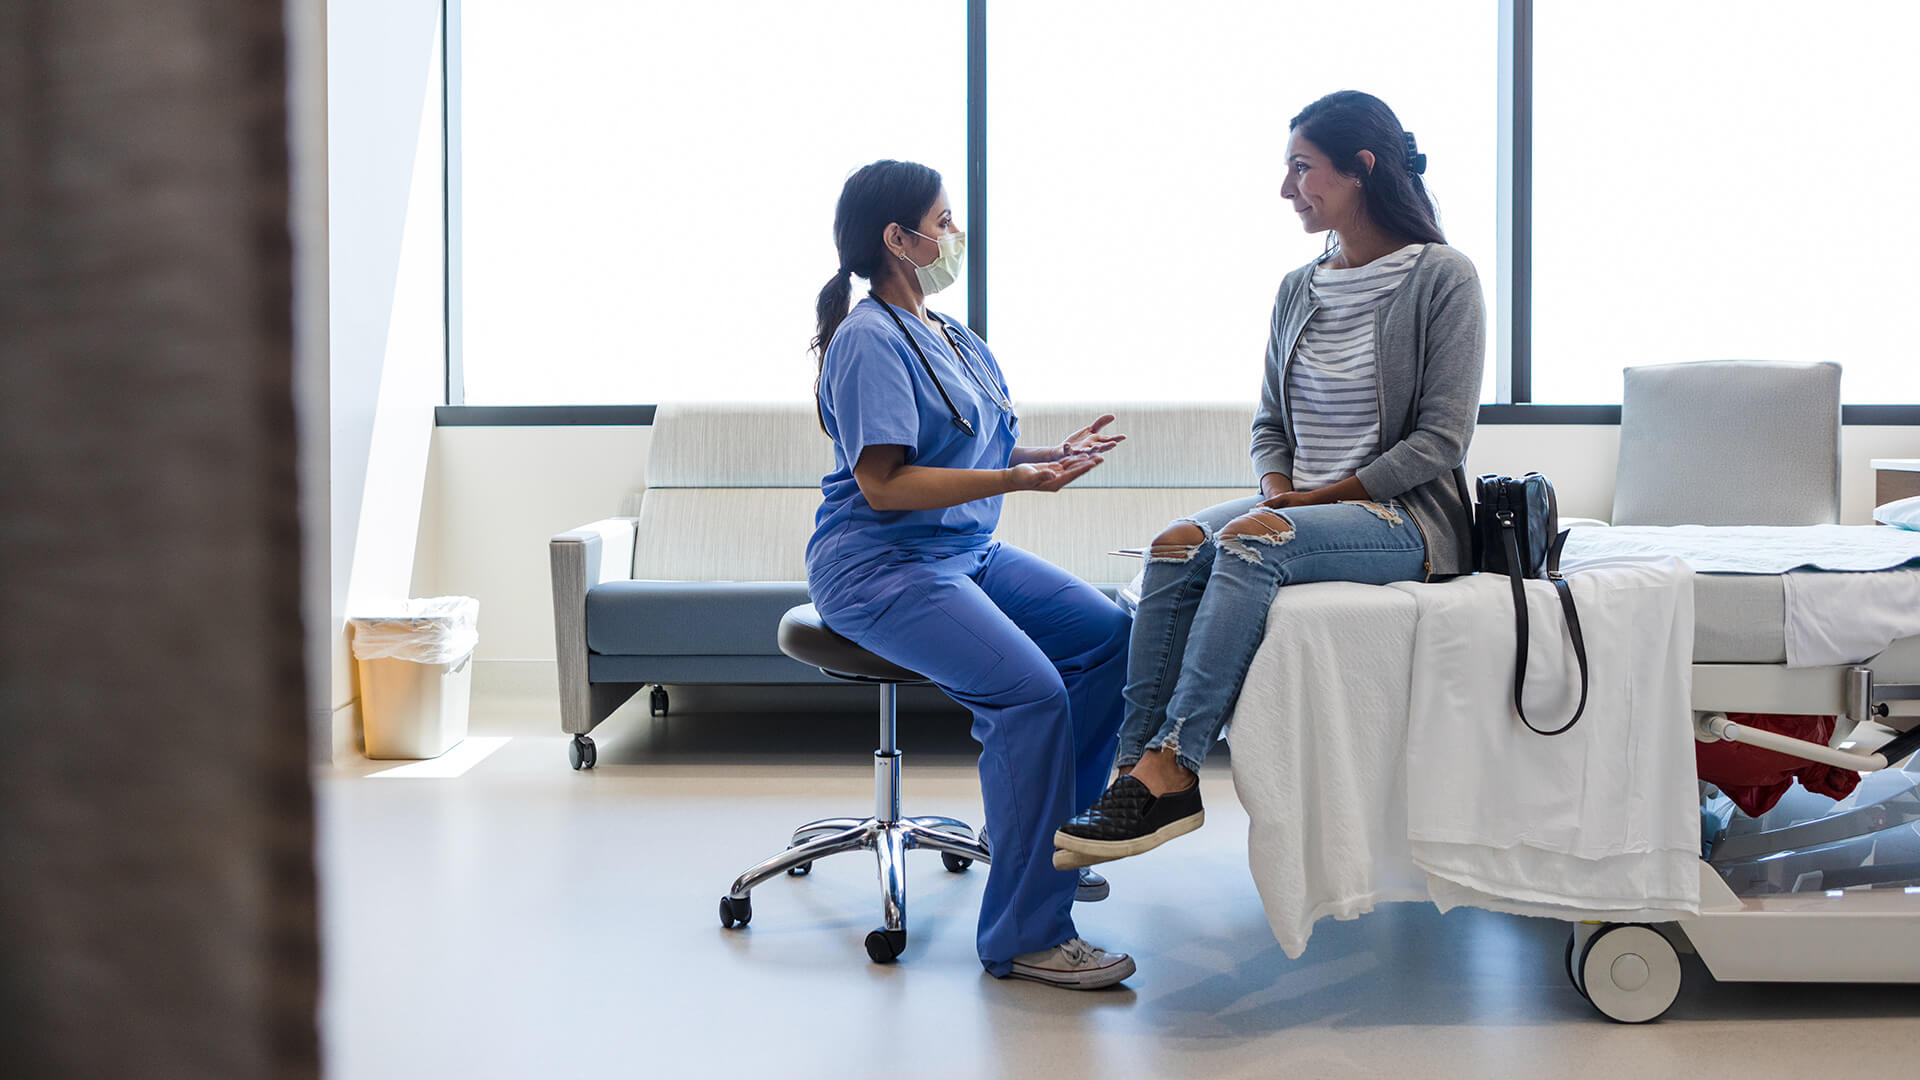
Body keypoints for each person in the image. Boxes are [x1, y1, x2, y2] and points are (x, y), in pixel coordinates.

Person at [1053, 91, 1487, 867]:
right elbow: (1268, 423)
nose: (1288, 190)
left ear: (1362, 169)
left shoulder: (1443, 279)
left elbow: (1440, 442)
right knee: (1176, 544)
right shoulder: (1299, 287)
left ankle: (1177, 763)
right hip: (1301, 501)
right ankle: (1134, 773)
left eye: (1301, 169)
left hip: (1401, 517)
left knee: (1254, 542)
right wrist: (1279, 481)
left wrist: (1303, 503)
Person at [807, 159, 1136, 989]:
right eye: (943, 221)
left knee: (1111, 639)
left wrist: (1044, 455)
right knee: (1033, 694)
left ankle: (1046, 843)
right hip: (882, 567)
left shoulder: (951, 334)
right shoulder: (868, 340)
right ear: (897, 239)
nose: (954, 236)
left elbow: (972, 446)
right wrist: (1015, 482)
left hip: (964, 554)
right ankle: (1025, 933)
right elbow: (884, 485)